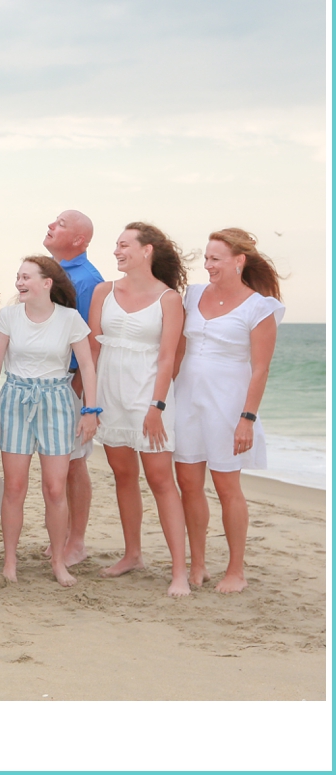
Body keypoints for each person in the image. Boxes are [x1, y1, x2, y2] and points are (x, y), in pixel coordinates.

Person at [174, 229, 285, 594]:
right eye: (206, 258)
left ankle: (236, 570)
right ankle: (199, 564)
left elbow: (260, 369)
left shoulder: (259, 307)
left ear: (239, 261)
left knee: (226, 486)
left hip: (228, 405)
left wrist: (247, 419)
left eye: (215, 259)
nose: (208, 266)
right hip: (187, 399)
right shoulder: (192, 295)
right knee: (188, 484)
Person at [90, 222, 190, 597]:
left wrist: (156, 406)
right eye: (116, 246)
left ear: (147, 250)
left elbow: (168, 357)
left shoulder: (169, 299)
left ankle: (179, 571)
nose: (117, 251)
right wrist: (91, 404)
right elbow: (94, 349)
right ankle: (133, 554)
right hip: (110, 395)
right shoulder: (103, 291)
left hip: (149, 396)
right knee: (122, 474)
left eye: (124, 245)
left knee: (162, 480)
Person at [0, 257, 99, 587]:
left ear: (47, 282)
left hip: (56, 401)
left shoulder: (69, 319)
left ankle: (59, 561)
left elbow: (89, 367)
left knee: (54, 489)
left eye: (26, 277)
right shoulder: (8, 317)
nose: (20, 282)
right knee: (15, 488)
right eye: (18, 276)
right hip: (15, 400)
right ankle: (10, 562)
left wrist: (90, 411)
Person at [43, 210, 104, 566]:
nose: (51, 226)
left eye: (61, 224)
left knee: (74, 463)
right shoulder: (50, 271)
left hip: (70, 382)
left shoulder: (87, 280)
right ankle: (62, 535)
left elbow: (91, 343)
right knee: (56, 464)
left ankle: (76, 540)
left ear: (80, 240)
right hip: (43, 380)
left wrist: (80, 395)